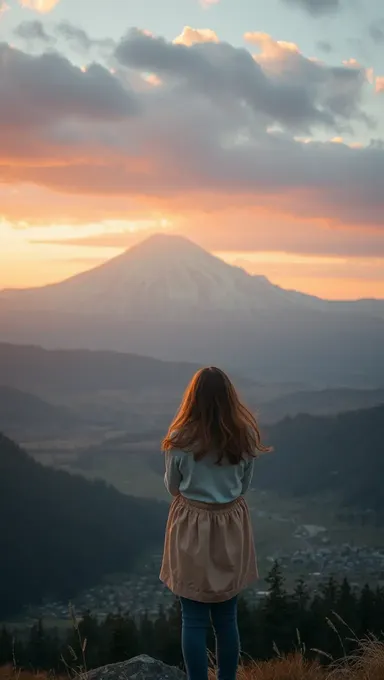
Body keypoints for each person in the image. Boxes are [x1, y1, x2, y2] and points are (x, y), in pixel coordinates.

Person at [160, 366, 271, 680]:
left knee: (193, 617)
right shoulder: (244, 435)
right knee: (227, 617)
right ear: (229, 397)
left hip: (191, 526)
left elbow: (172, 486)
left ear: (192, 399)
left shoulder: (179, 438)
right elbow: (244, 485)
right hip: (230, 525)